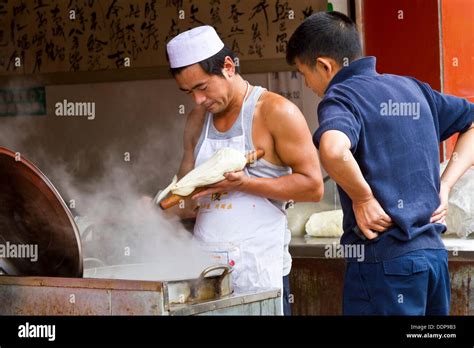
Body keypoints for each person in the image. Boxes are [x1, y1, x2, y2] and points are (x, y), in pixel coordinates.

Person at [286, 11, 474, 315]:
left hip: (383, 268)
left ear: (324, 65)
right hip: (433, 261)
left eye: (303, 73)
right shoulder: (413, 89)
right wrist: (446, 185)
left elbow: (333, 149)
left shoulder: (341, 97)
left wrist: (363, 196)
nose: (307, 85)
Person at [165, 25, 324, 314]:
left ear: (228, 67)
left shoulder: (275, 112)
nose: (198, 100)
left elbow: (313, 186)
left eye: (202, 87)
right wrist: (161, 205)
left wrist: (242, 184)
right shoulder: (196, 121)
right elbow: (188, 199)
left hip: (260, 273)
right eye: (189, 92)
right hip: (206, 274)